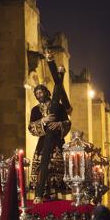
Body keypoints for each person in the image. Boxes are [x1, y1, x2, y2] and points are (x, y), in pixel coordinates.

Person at [28, 50, 71, 203]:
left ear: (46, 93)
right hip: (43, 143)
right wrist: (44, 120)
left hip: (57, 144)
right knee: (42, 166)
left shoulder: (57, 107)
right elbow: (31, 127)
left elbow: (67, 122)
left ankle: (57, 195)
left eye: (41, 92)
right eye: (37, 93)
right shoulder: (35, 110)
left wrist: (59, 124)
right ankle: (42, 193)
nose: (39, 95)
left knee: (56, 168)